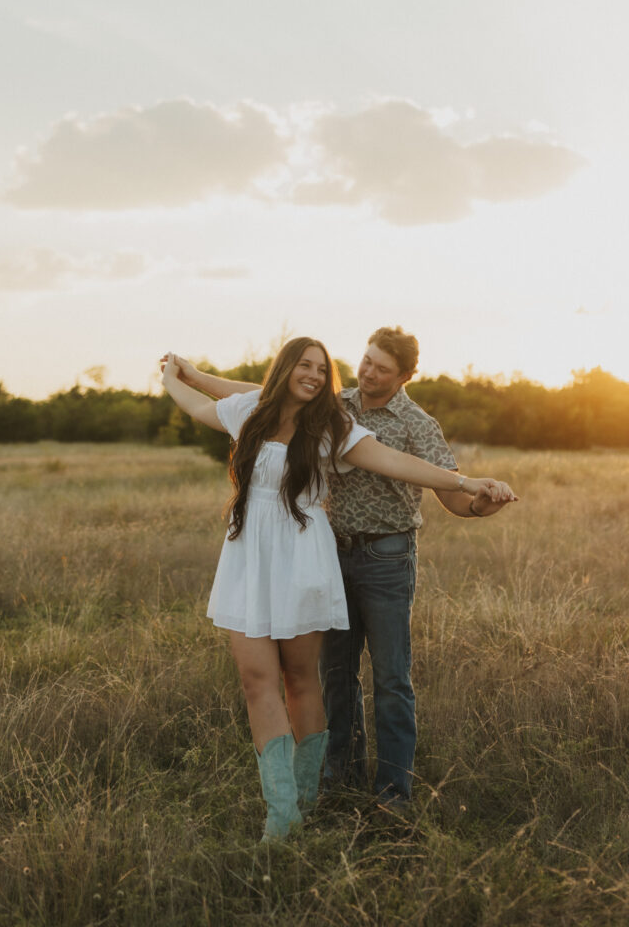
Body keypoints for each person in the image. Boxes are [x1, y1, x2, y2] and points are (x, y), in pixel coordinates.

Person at [161, 336, 516, 839]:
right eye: (363, 362)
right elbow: (228, 398)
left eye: (380, 368)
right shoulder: (273, 409)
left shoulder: (348, 424)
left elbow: (398, 464)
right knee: (290, 681)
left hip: (350, 557)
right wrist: (181, 377)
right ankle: (295, 808)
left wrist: (469, 486)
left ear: (402, 376)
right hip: (277, 557)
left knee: (358, 681)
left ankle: (368, 799)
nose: (366, 373)